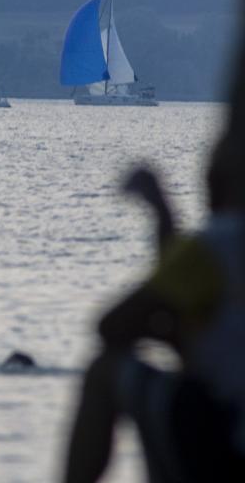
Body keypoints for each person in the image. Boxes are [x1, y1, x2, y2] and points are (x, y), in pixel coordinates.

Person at [63, 136, 245, 483]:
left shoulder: (216, 245)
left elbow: (112, 325)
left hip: (222, 441)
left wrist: (160, 209)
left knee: (106, 371)